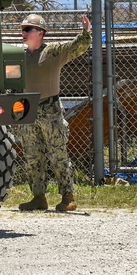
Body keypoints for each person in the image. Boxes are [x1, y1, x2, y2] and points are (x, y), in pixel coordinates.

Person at [17, 13, 92, 212]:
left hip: (50, 111)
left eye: (27, 29)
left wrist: (85, 33)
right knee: (33, 156)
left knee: (58, 155)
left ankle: (68, 197)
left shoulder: (52, 52)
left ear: (40, 33)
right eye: (22, 30)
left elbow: (75, 48)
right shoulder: (19, 55)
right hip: (27, 109)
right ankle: (38, 197)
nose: (23, 33)